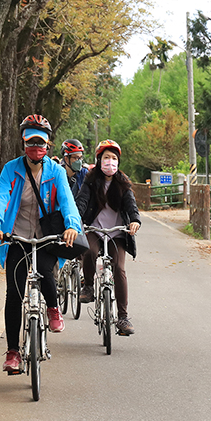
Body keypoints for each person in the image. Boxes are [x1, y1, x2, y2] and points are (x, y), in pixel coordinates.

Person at [0, 114, 85, 374]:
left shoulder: (55, 171)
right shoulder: (11, 168)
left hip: (46, 237)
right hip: (17, 236)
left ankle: (53, 309)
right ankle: (12, 352)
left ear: (48, 145)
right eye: (30, 140)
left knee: (45, 273)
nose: (35, 146)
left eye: (40, 141)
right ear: (23, 143)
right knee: (14, 295)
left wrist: (72, 226)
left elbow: (67, 202)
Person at [74, 139, 141, 335]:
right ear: (99, 160)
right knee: (89, 252)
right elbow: (82, 202)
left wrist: (134, 221)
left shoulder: (123, 183)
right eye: (106, 158)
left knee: (119, 269)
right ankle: (88, 286)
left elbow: (131, 206)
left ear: (118, 161)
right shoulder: (91, 180)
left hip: (117, 233)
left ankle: (122, 317)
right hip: (95, 230)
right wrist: (76, 220)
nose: (109, 161)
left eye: (113, 158)